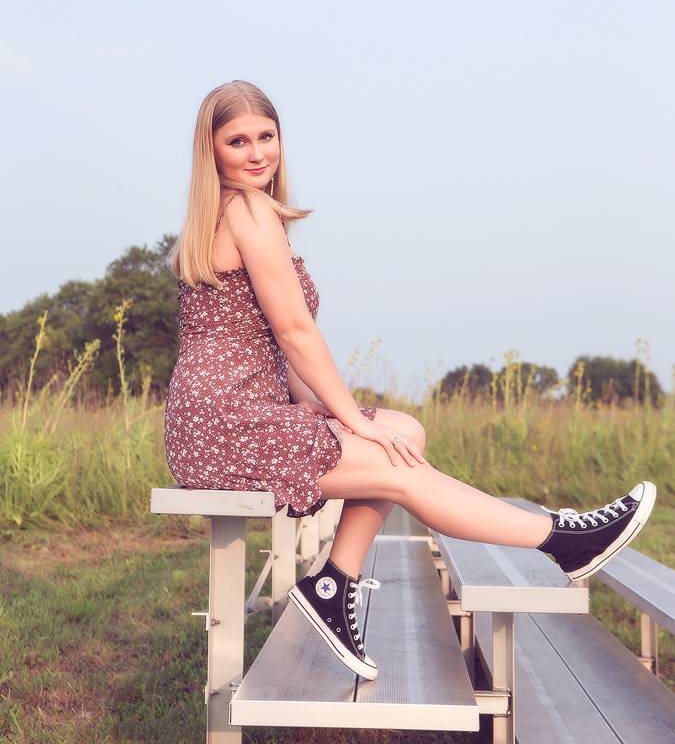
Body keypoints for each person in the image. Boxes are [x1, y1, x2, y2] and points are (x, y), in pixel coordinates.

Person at [165, 79, 656, 682]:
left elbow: (276, 350)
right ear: (211, 152)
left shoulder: (229, 214)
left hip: (218, 416)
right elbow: (294, 331)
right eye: (238, 141)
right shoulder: (248, 209)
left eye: (267, 137)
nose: (257, 153)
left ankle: (333, 583)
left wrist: (336, 415)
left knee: (401, 429)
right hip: (225, 422)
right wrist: (347, 419)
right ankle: (561, 539)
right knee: (392, 460)